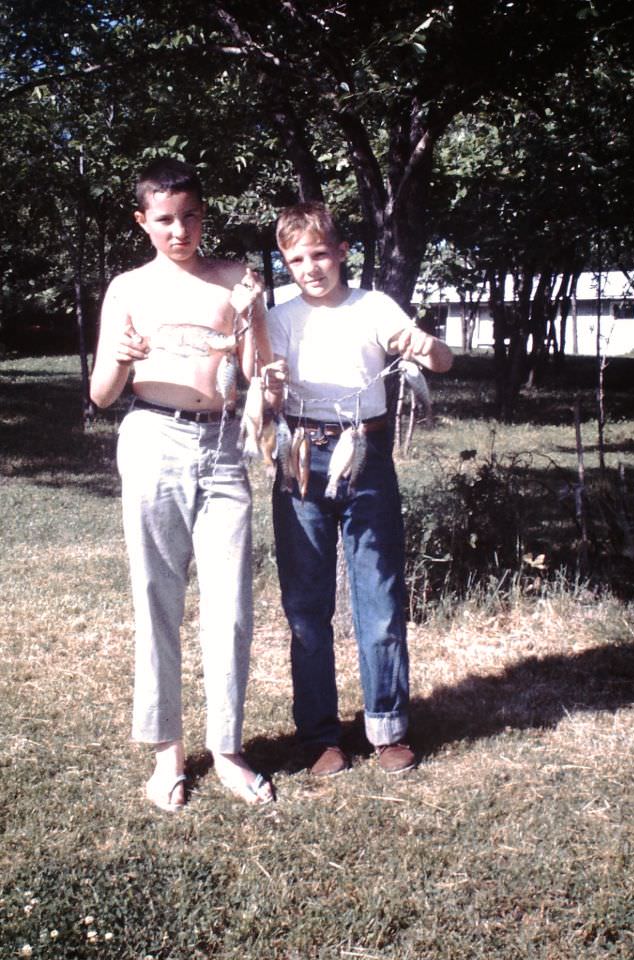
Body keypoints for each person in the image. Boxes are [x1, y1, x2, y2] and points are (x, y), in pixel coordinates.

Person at [90, 157, 280, 811]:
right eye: (165, 220)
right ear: (143, 221)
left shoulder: (235, 279)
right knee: (156, 598)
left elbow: (256, 373)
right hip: (152, 442)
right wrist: (118, 359)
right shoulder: (127, 289)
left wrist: (252, 319)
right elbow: (102, 394)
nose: (180, 230)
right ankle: (167, 753)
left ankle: (227, 749)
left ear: (205, 215)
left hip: (225, 447)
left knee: (230, 606)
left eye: (191, 216)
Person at [268, 201, 453, 777]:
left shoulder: (373, 306)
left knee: (379, 598)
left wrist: (425, 347)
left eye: (320, 254)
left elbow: (441, 361)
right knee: (306, 604)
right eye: (297, 259)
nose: (310, 267)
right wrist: (266, 384)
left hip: (366, 455)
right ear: (286, 263)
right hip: (300, 456)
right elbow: (265, 389)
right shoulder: (276, 315)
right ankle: (320, 735)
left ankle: (388, 725)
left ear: (342, 252)